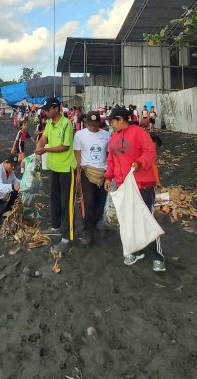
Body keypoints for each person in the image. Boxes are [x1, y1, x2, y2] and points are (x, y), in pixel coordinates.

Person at [104, 106, 164, 272]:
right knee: (128, 219)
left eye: (112, 121)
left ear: (121, 120)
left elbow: (150, 153)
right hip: (123, 186)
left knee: (147, 219)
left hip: (142, 185)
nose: (111, 125)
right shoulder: (113, 138)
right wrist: (109, 177)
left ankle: (158, 256)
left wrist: (139, 163)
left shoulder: (139, 133)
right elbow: (111, 159)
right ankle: (136, 250)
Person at [34, 97, 77, 253]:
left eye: (48, 109)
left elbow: (64, 146)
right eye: (45, 109)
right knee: (54, 198)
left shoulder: (66, 124)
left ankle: (67, 237)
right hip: (54, 168)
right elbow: (44, 138)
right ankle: (56, 226)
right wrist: (39, 146)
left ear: (57, 108)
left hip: (66, 168)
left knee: (67, 203)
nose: (46, 111)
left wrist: (45, 150)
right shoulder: (49, 124)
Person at [73, 111, 110, 246]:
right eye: (91, 125)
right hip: (86, 172)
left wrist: (110, 173)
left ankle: (94, 223)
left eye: (96, 125)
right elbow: (77, 154)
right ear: (86, 123)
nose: (94, 128)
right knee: (88, 202)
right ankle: (86, 230)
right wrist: (77, 173)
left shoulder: (106, 135)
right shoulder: (79, 135)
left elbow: (109, 154)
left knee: (101, 203)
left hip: (103, 172)